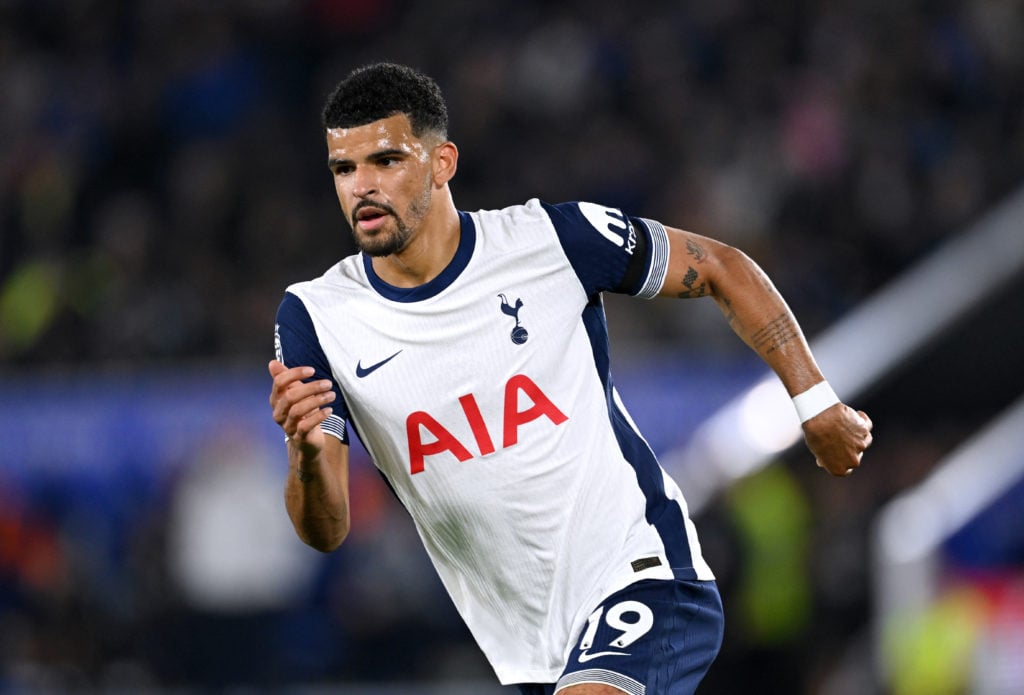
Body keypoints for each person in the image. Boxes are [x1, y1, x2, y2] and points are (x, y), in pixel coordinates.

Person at [268, 62, 873, 695]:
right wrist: (306, 452)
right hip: (528, 652)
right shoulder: (317, 316)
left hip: (641, 576)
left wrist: (816, 401)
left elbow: (722, 266)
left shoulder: (550, 241)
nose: (362, 186)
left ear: (442, 162)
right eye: (344, 169)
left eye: (385, 161)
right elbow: (325, 531)